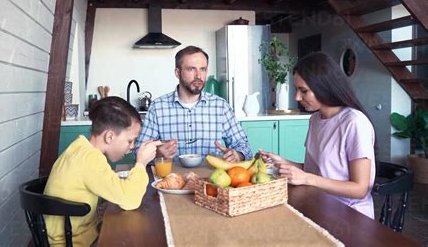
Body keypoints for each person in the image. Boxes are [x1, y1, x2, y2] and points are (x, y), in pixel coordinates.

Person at [260, 52, 376, 219]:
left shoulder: (354, 122)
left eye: (304, 91)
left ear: (324, 86)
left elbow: (359, 189)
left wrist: (307, 179)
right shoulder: (315, 119)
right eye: (297, 89)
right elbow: (315, 170)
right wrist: (282, 162)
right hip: (317, 204)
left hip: (350, 216)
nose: (297, 97)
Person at [44, 96, 161, 246]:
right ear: (110, 136)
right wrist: (141, 163)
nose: (131, 147)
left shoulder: (79, 147)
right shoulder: (90, 159)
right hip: (73, 243)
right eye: (130, 141)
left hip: (77, 235)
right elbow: (130, 200)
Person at [136, 45, 252, 162]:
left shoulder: (221, 107)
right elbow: (139, 152)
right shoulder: (157, 108)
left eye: (203, 69)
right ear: (177, 72)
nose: (198, 76)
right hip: (171, 179)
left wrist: (238, 154)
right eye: (191, 69)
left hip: (211, 179)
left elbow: (244, 146)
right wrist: (158, 153)